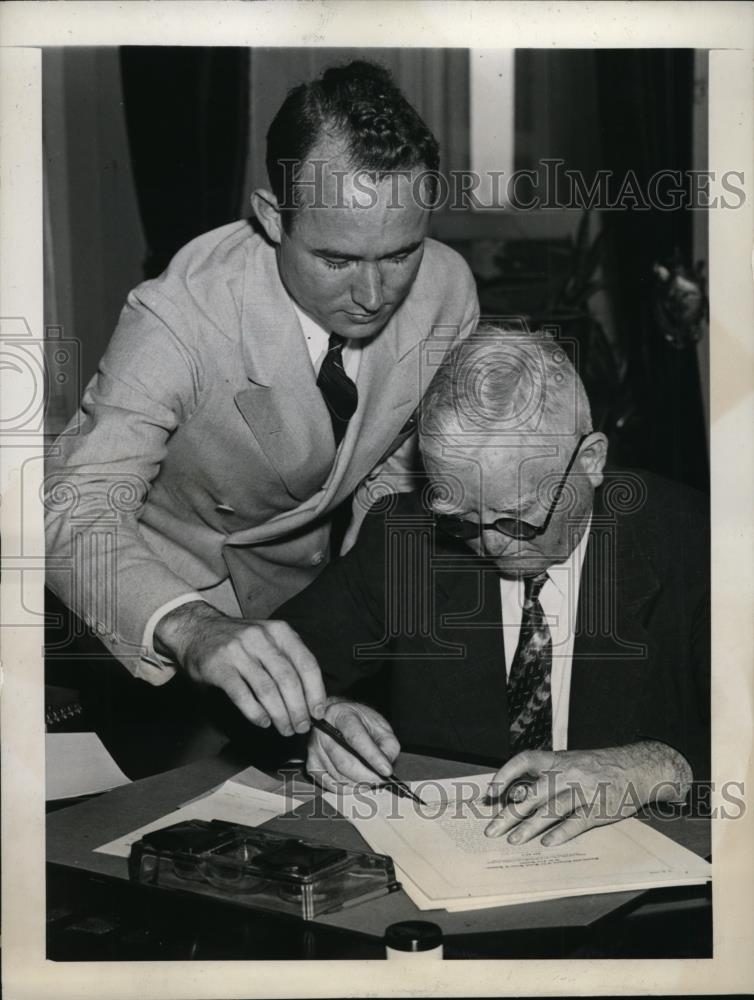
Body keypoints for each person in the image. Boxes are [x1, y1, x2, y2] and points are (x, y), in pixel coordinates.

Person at [44, 61, 479, 742]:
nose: (373, 295)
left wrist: (354, 634)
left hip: (315, 599)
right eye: (336, 260)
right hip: (167, 600)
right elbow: (70, 509)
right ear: (273, 217)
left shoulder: (448, 290)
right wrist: (191, 628)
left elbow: (392, 476)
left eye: (399, 254)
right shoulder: (180, 315)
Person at [277, 327, 710, 845]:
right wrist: (325, 717)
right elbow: (263, 668)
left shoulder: (700, 544)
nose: (492, 546)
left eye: (520, 518)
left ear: (591, 461)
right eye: (461, 519)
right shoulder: (407, 542)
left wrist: (660, 767)